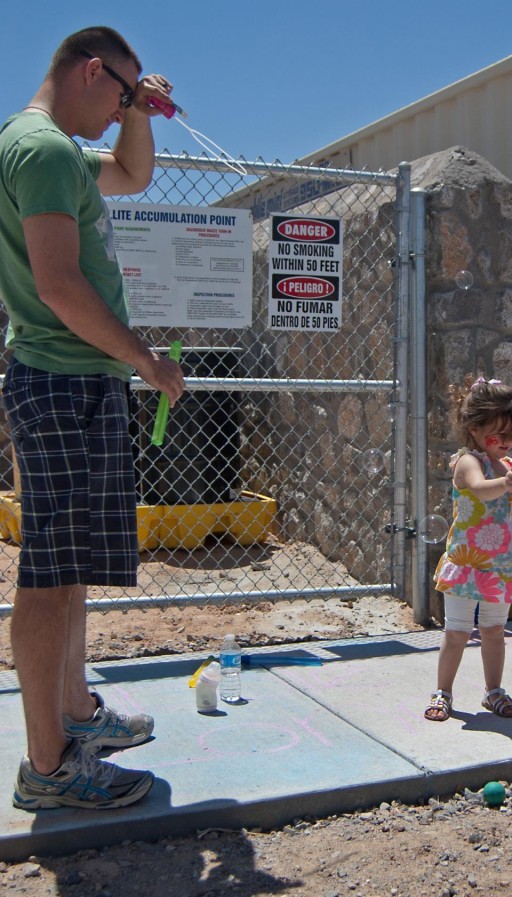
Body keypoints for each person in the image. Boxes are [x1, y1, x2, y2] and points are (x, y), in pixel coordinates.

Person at [0, 26, 185, 809]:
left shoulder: (59, 152)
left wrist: (142, 106)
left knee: (68, 568)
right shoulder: (40, 149)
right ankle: (48, 767)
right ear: (87, 70)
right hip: (61, 378)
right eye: (117, 94)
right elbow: (59, 286)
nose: (117, 114)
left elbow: (135, 174)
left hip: (79, 380)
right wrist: (145, 358)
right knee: (47, 576)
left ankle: (77, 713)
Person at [424, 376, 512, 722]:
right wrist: (505, 482)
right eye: (500, 434)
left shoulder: (509, 467)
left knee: (495, 631)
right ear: (475, 429)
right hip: (467, 562)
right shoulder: (469, 462)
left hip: (501, 566)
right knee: (458, 631)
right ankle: (443, 691)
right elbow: (481, 490)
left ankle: (493, 690)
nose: (507, 442)